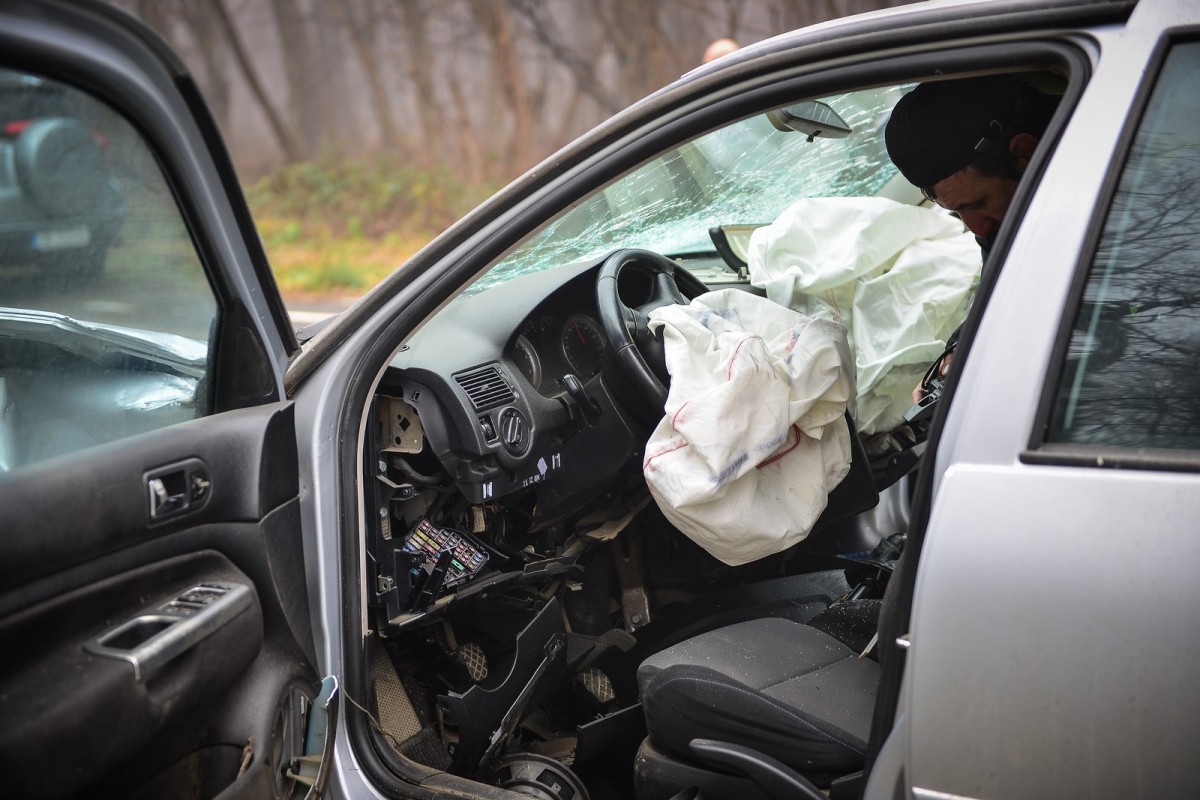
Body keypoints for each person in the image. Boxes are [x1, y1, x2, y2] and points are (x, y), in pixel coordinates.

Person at [884, 75, 1058, 402]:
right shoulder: (1004, 212)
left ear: (1025, 153)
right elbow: (1002, 289)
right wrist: (959, 352)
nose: (976, 229)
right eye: (958, 213)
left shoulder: (1135, 192)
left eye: (977, 205)